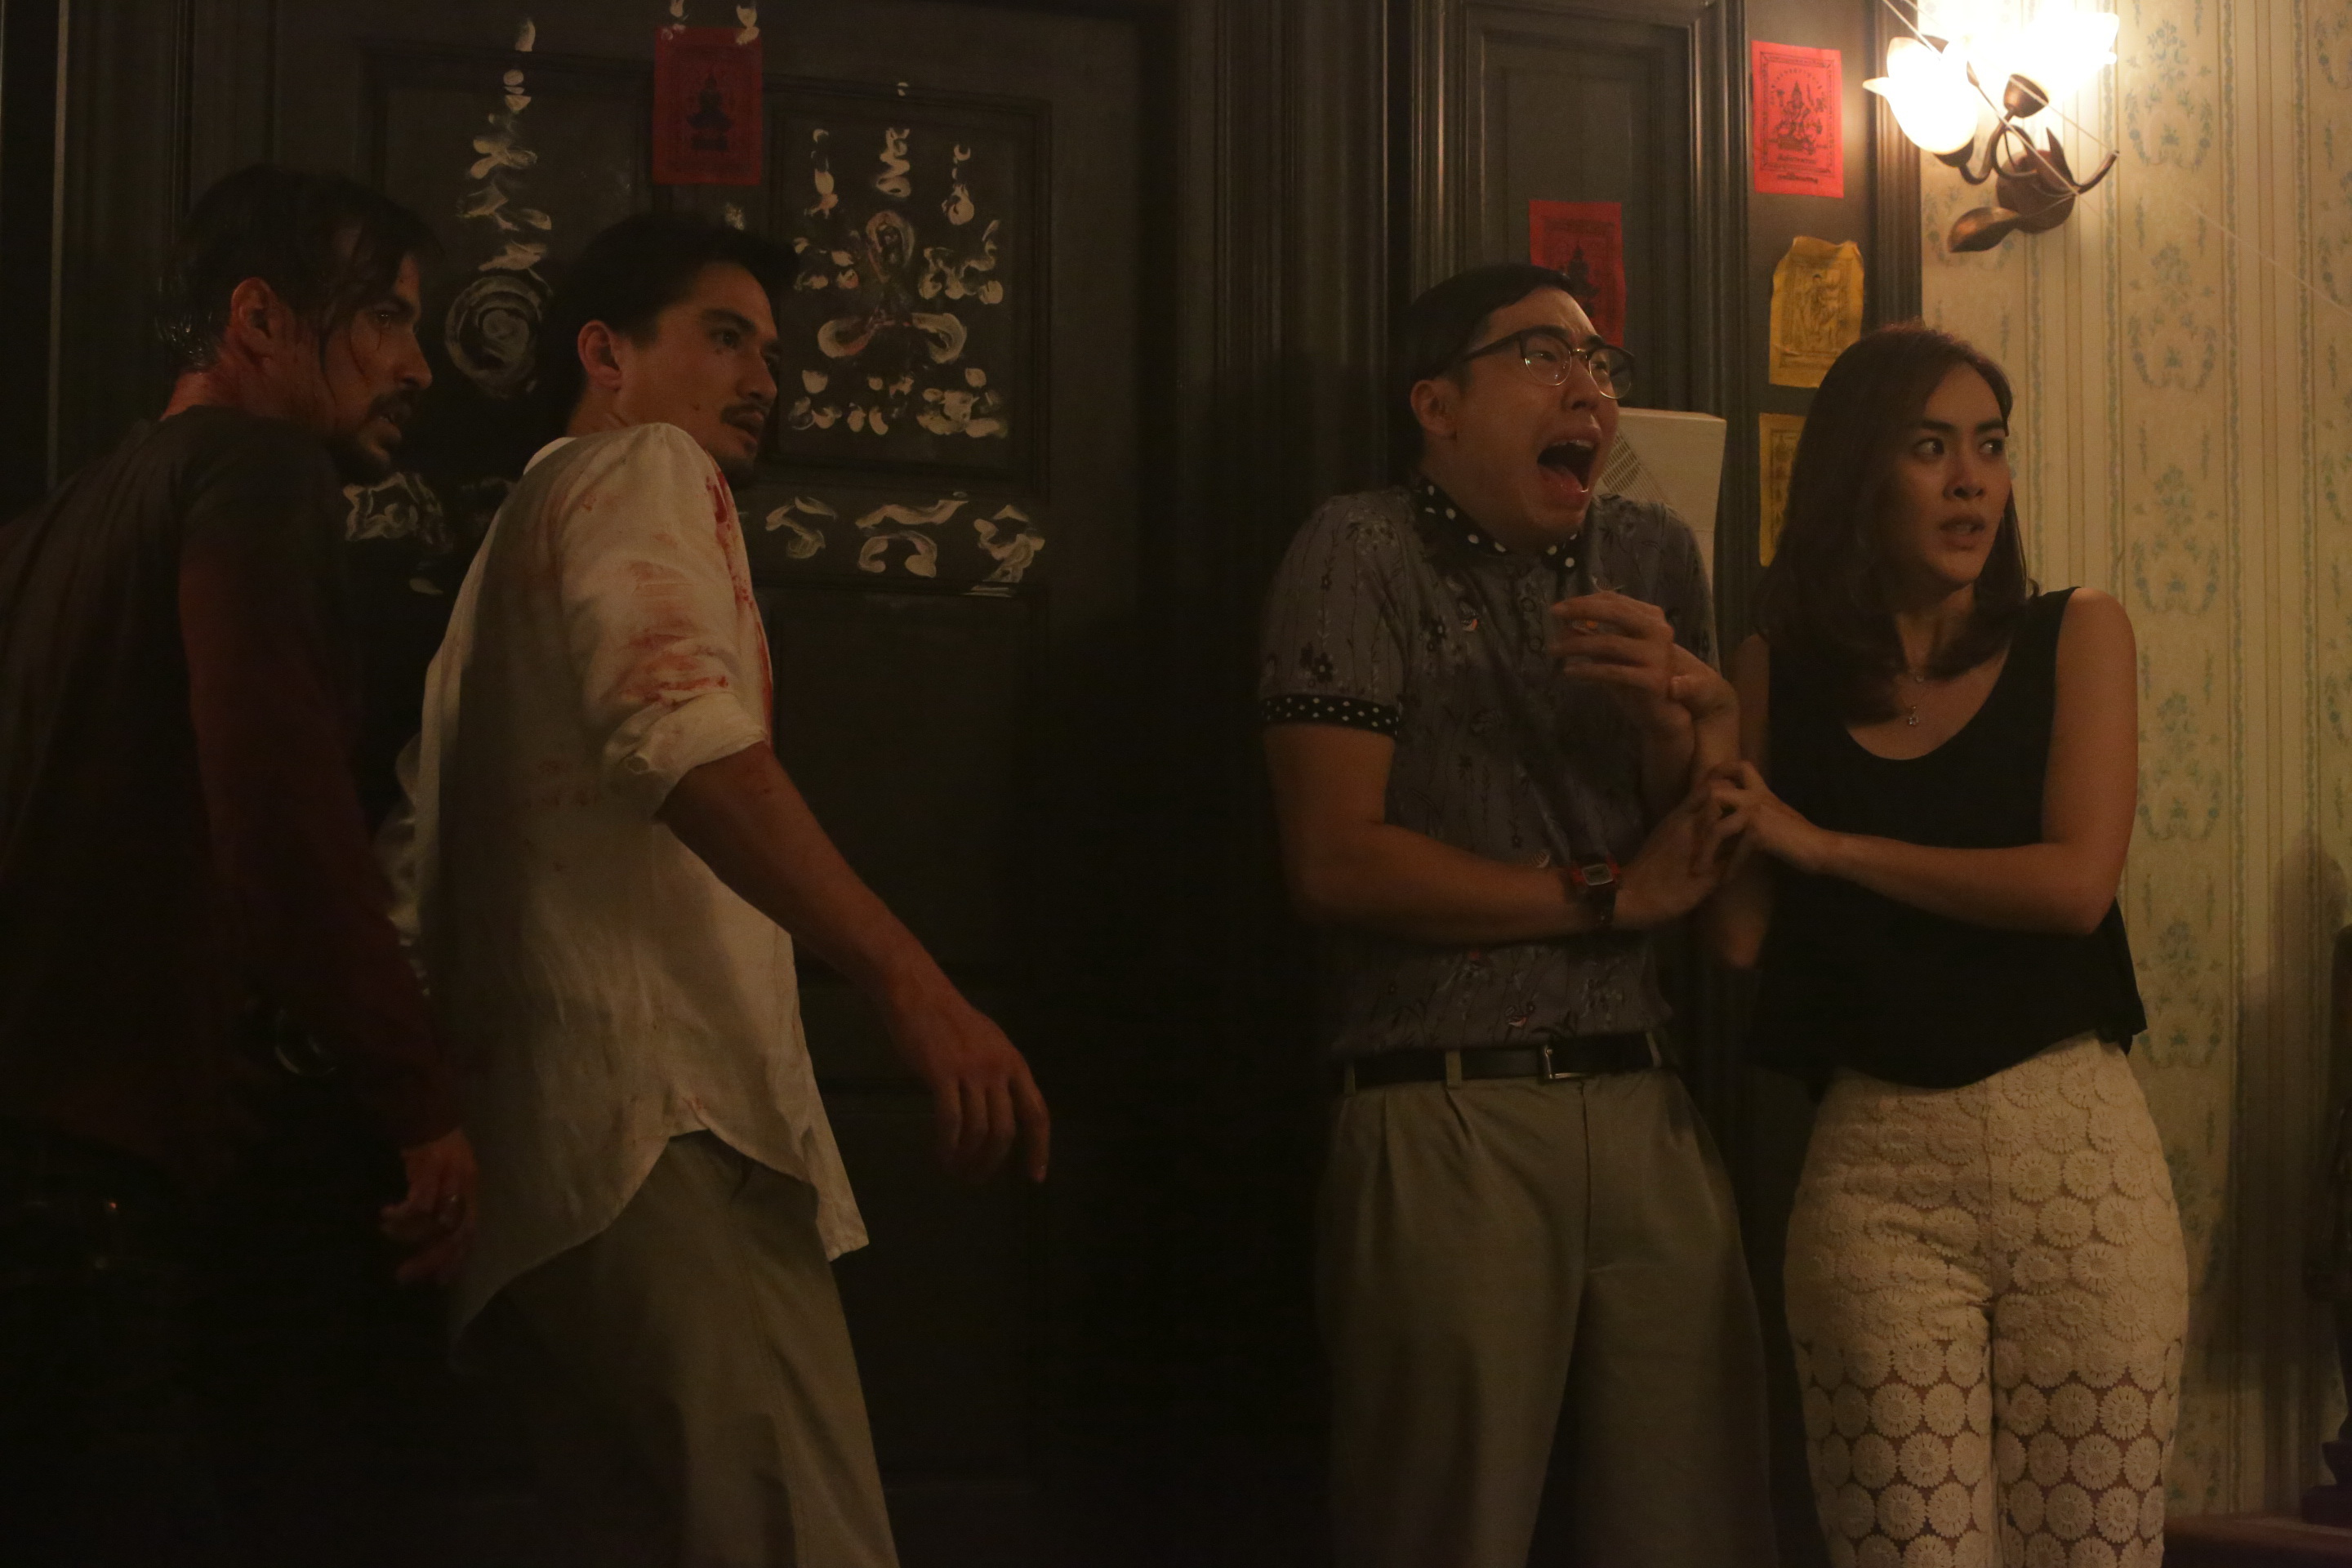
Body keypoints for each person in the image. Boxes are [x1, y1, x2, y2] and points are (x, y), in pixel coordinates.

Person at [385, 211, 1051, 1568]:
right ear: (606, 356)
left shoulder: (507, 550)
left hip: (541, 1175)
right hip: (664, 1123)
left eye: (774, 353)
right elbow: (678, 733)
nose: (763, 381)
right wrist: (914, 986)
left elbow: (411, 867)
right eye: (725, 337)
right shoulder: (646, 467)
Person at [1258, 261, 1776, 1568]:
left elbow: (1692, 848)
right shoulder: (1359, 550)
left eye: (1601, 364)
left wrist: (1682, 721)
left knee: (1692, 1522)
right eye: (1544, 356)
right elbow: (1333, 861)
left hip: (1645, 1093)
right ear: (1436, 404)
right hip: (1446, 1102)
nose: (1587, 388)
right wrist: (1599, 896)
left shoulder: (1651, 552)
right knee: (1449, 1526)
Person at [0, 164, 476, 1565]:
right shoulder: (254, 473)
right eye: (384, 318)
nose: (417, 365)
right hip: (104, 1171)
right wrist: (415, 1098)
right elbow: (280, 813)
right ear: (258, 318)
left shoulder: (40, 536)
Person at [1703, 323, 2186, 1566]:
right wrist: (1706, 736)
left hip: (2077, 1163)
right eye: (1930, 448)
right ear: (1857, 472)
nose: (1973, 481)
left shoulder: (2078, 632)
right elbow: (1741, 936)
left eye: (1990, 446)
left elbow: (2073, 887)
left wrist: (1832, 848)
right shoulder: (1777, 667)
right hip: (1872, 1177)